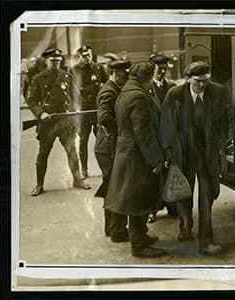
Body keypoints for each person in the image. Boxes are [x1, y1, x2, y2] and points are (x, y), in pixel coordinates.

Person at [161, 61, 230, 255]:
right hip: (183, 153)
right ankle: (185, 226)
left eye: (205, 81)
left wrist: (223, 149)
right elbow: (166, 125)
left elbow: (226, 120)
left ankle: (206, 241)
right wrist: (169, 152)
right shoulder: (174, 95)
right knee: (184, 191)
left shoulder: (218, 92)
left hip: (208, 153)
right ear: (188, 78)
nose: (202, 85)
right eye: (198, 81)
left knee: (207, 194)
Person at [104, 61, 166, 258]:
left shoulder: (125, 91)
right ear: (146, 78)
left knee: (133, 197)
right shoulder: (139, 96)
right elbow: (143, 133)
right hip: (136, 156)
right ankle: (139, 245)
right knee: (139, 198)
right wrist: (155, 159)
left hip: (126, 151)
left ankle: (142, 236)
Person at [26, 48, 91, 196]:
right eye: (52, 61)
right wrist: (40, 113)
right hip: (47, 122)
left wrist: (76, 109)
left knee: (73, 153)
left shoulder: (67, 77)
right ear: (47, 61)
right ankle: (39, 184)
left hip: (65, 122)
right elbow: (31, 100)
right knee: (43, 154)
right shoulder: (38, 78)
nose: (55, 63)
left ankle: (77, 180)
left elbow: (76, 97)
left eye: (58, 61)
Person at [93, 59, 132, 240]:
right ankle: (116, 230)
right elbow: (104, 117)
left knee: (111, 187)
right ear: (116, 74)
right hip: (108, 147)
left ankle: (111, 228)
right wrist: (123, 125)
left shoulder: (113, 88)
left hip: (107, 145)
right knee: (115, 187)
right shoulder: (109, 91)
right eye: (124, 76)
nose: (126, 79)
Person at [69, 45, 109, 180]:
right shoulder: (74, 70)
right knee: (83, 141)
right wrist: (74, 107)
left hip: (97, 110)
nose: (87, 58)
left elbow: (108, 84)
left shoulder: (99, 68)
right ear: (80, 56)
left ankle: (105, 169)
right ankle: (84, 170)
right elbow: (71, 91)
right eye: (84, 55)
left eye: (89, 55)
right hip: (83, 111)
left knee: (102, 141)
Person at [147, 54, 178, 223]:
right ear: (152, 69)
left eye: (165, 69)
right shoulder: (145, 89)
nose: (163, 72)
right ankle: (152, 209)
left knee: (171, 172)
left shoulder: (172, 87)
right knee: (154, 176)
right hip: (154, 138)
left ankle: (172, 206)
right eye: (160, 69)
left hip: (169, 137)